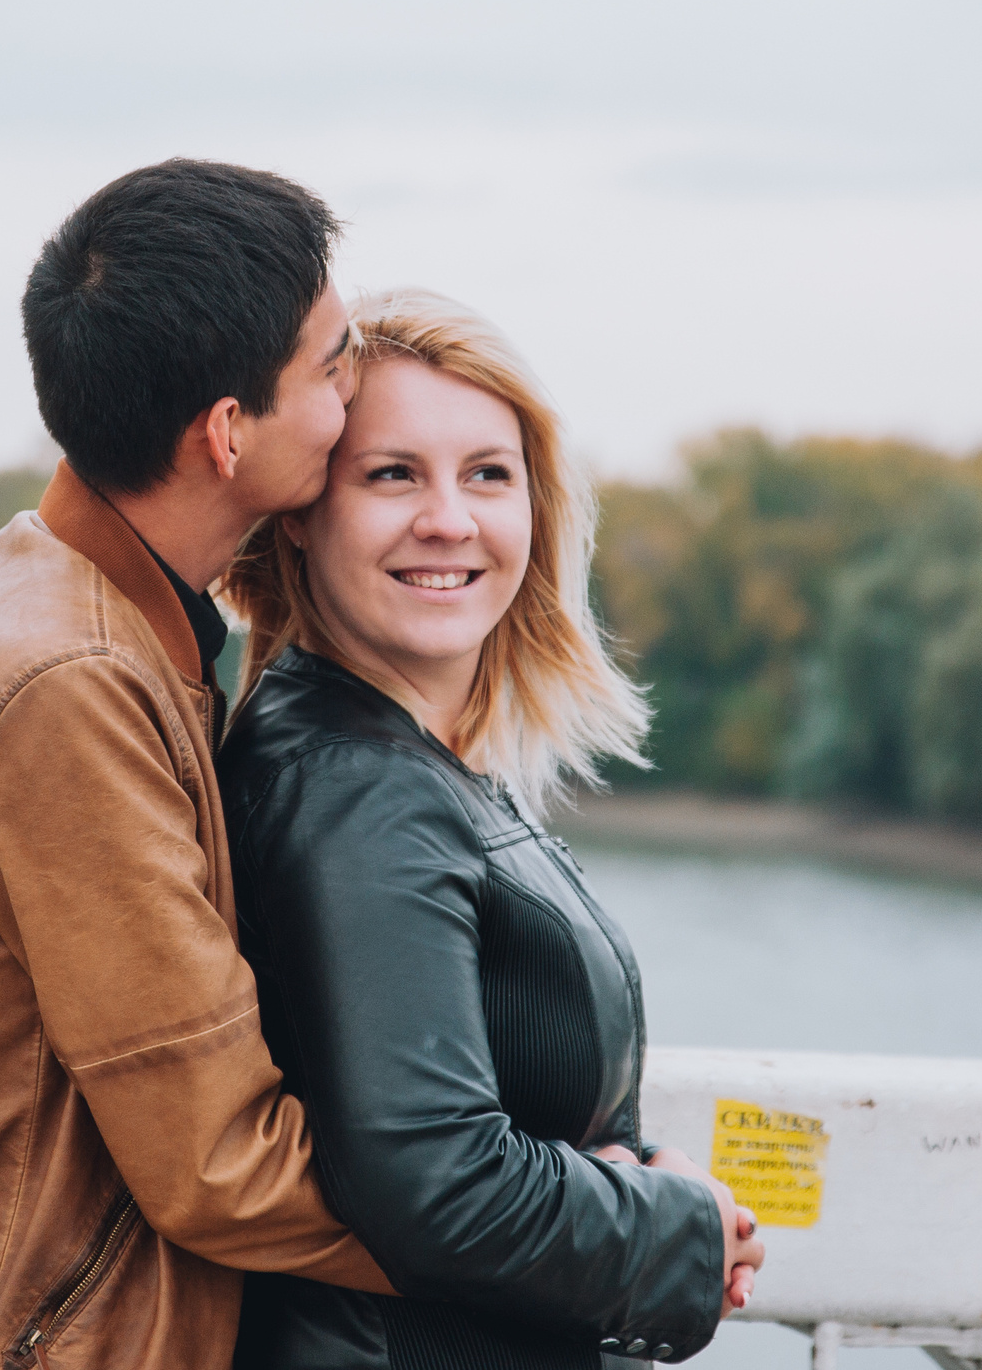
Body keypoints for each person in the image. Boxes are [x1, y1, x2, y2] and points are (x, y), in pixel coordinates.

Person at [0, 160, 391, 1370]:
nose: (360, 396)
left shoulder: (82, 609)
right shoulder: (66, 683)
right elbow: (219, 1167)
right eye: (334, 364)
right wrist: (559, 1234)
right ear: (227, 431)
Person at [218, 289, 767, 1369]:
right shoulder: (354, 788)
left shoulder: (409, 759)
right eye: (392, 474)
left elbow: (487, 1105)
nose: (448, 519)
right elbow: (437, 1180)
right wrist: (675, 1230)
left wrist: (635, 1177)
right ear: (299, 506)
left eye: (487, 473)